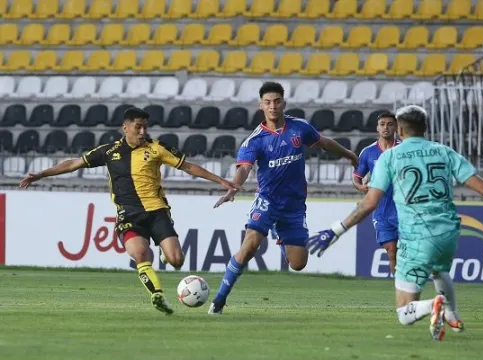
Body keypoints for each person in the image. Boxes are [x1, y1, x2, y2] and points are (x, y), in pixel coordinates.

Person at [307, 105, 483, 341]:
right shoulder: (444, 151)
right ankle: (452, 315)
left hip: (415, 236)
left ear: (399, 129)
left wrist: (336, 230)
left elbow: (369, 203)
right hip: (449, 233)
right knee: (439, 270)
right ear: (426, 127)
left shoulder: (389, 157)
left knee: (404, 314)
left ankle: (435, 304)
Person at [20, 107, 240, 315]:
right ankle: (157, 295)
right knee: (140, 254)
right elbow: (73, 164)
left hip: (157, 211)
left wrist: (221, 181)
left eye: (145, 127)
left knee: (176, 260)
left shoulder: (157, 148)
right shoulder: (110, 152)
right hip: (129, 214)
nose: (143, 131)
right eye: (138, 127)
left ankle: (165, 253)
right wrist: (41, 174)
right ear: (125, 128)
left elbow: (188, 166)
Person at [208, 81, 359, 314]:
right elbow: (244, 168)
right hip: (267, 201)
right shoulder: (255, 140)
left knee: (298, 264)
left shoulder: (299, 128)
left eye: (277, 101)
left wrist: (350, 156)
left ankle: (280, 233)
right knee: (249, 247)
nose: (273, 106)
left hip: (294, 206)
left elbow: (325, 143)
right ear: (261, 106)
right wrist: (234, 187)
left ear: (283, 103)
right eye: (268, 102)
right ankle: (218, 301)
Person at [352, 111, 401, 274]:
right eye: (382, 124)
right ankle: (399, 287)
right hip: (381, 209)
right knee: (391, 250)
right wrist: (361, 187)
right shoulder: (368, 152)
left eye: (390, 124)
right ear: (377, 128)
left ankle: (412, 285)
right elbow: (356, 177)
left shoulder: (404, 149)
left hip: (403, 208)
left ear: (396, 127)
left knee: (409, 250)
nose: (386, 128)